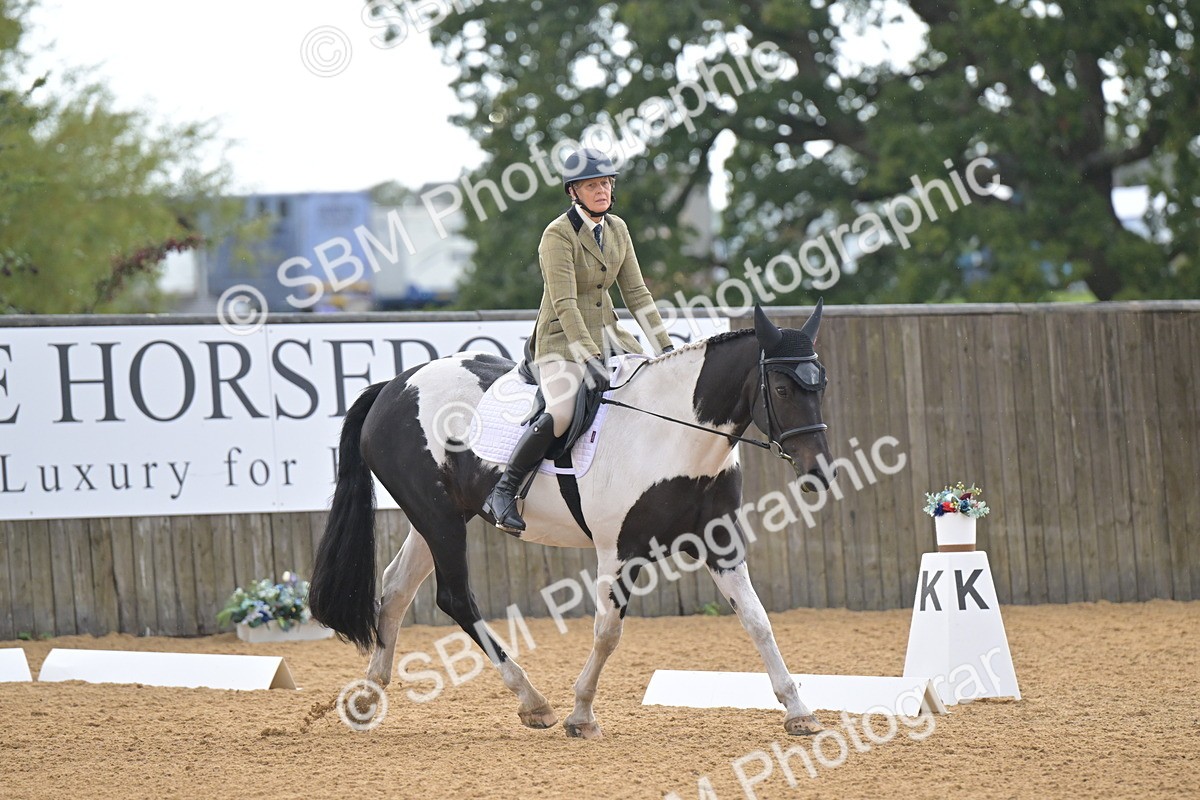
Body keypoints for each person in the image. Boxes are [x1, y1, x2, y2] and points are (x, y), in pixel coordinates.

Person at [482, 148, 674, 533]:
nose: (602, 190)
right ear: (574, 191)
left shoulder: (618, 228)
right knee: (564, 411)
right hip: (560, 341)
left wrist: (664, 347)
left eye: (605, 183)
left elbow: (637, 294)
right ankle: (503, 491)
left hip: (612, 337)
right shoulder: (557, 235)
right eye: (592, 185)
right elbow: (565, 303)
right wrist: (588, 356)